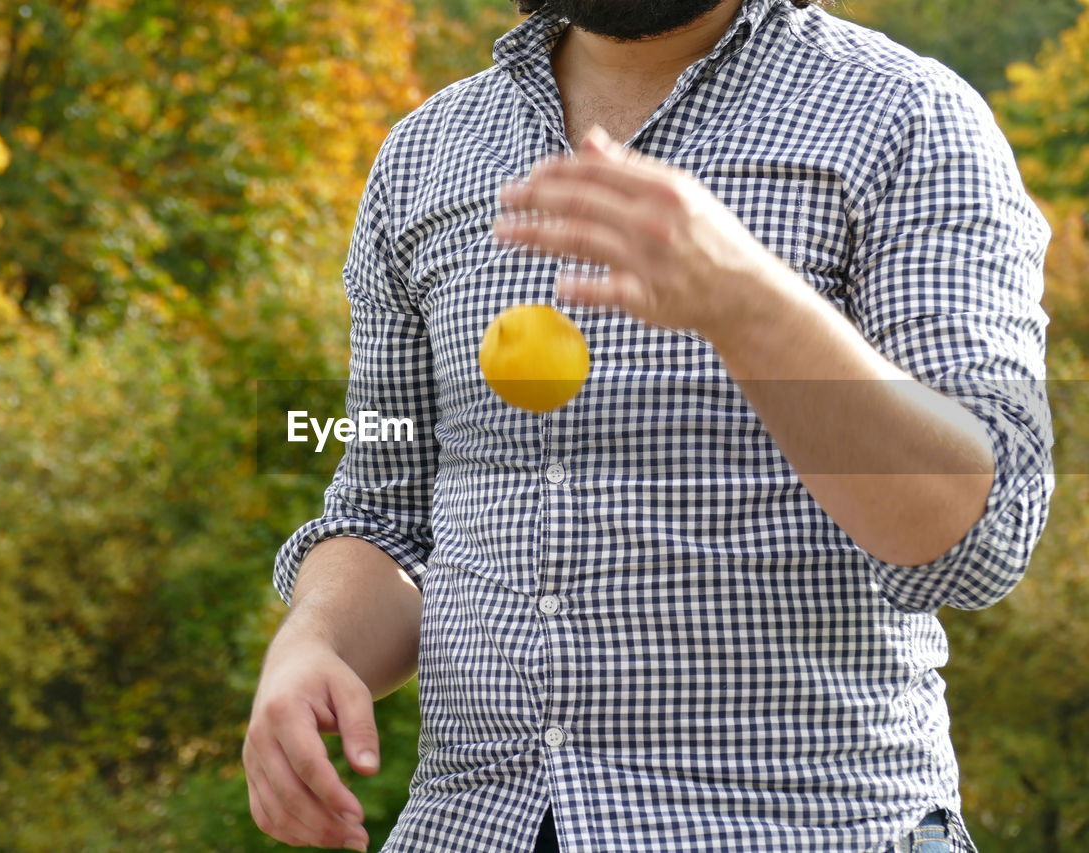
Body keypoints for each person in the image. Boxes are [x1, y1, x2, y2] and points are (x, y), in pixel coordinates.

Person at [244, 0, 1054, 850]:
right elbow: (382, 511)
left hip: (803, 826)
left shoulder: (908, 119)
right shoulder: (424, 156)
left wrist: (749, 306)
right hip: (475, 826)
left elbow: (977, 538)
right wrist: (316, 637)